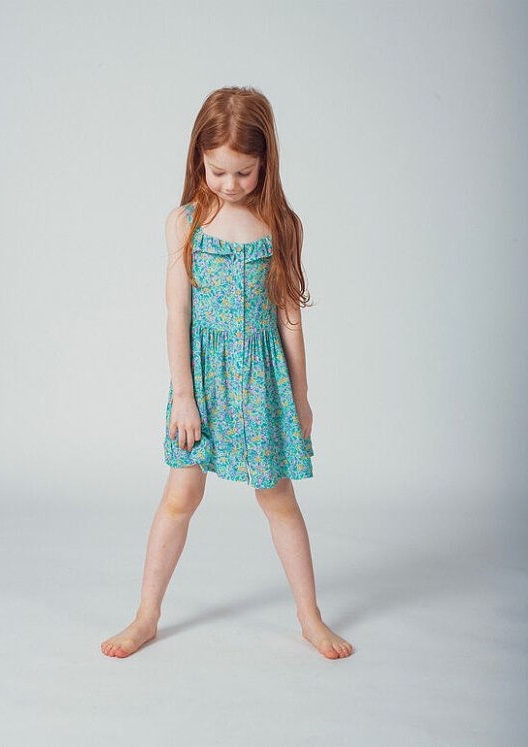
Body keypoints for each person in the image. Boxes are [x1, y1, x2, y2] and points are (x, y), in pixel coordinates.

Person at [101, 86, 353, 660]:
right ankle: (146, 615)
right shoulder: (185, 222)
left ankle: (310, 617)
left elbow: (290, 319)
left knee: (278, 497)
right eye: (218, 171)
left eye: (244, 172)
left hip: (262, 384)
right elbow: (177, 314)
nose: (231, 184)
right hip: (203, 382)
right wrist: (184, 397)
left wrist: (302, 398)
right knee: (181, 494)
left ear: (266, 163)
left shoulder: (280, 224)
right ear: (199, 159)